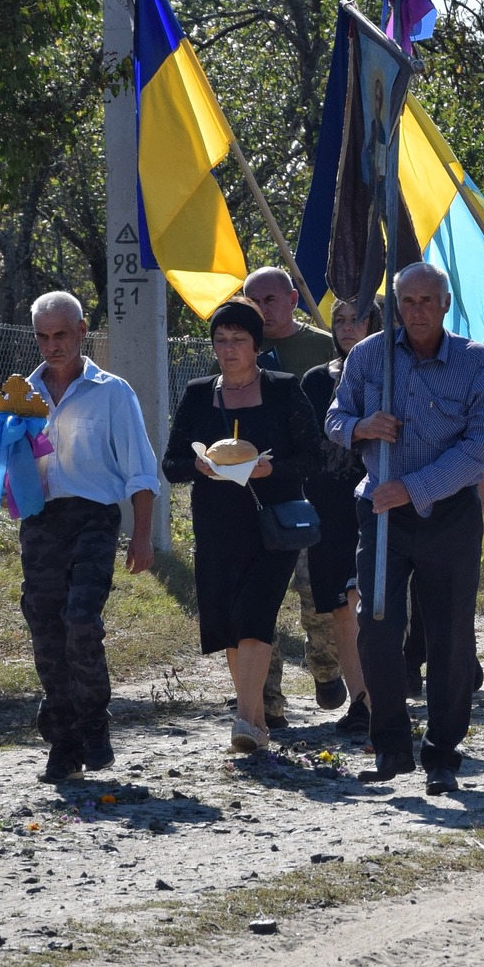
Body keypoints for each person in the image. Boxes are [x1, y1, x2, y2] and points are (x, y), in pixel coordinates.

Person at [326, 263, 484, 794]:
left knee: (449, 632)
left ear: (446, 304)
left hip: (448, 513)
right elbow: (334, 418)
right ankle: (391, 747)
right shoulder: (368, 355)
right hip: (380, 512)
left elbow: (479, 447)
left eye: (428, 300)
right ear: (396, 304)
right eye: (408, 301)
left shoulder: (475, 362)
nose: (418, 310)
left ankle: (443, 753)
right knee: (377, 623)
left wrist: (415, 487)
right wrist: (361, 426)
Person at [163, 298, 326, 753]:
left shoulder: (283, 388)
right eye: (221, 340)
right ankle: (254, 720)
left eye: (238, 340)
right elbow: (171, 464)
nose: (229, 349)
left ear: (257, 345)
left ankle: (244, 718)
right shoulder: (199, 392)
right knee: (231, 621)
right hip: (217, 526)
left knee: (255, 615)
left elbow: (313, 457)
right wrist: (201, 466)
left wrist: (270, 471)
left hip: (273, 522)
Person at [20, 292, 161, 782]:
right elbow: (6, 461)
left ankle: (93, 718)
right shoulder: (24, 394)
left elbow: (141, 471)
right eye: (43, 336)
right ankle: (64, 739)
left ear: (82, 332)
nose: (52, 345)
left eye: (61, 334)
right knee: (45, 629)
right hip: (39, 521)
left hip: (94, 519)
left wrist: (142, 538)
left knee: (80, 620)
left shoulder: (113, 392)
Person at [241, 267, 343, 723]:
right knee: (261, 601)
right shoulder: (238, 348)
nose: (263, 308)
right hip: (258, 494)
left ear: (293, 300)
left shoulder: (323, 347)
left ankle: (326, 667)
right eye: (254, 300)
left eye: (270, 299)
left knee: (315, 596)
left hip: (316, 489)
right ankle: (268, 702)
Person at [301, 299, 379, 736]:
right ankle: (361, 700)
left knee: (369, 602)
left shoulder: (393, 374)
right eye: (340, 320)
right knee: (338, 607)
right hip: (328, 505)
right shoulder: (316, 380)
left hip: (380, 498)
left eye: (359, 319)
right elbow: (306, 444)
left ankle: (383, 693)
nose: (348, 327)